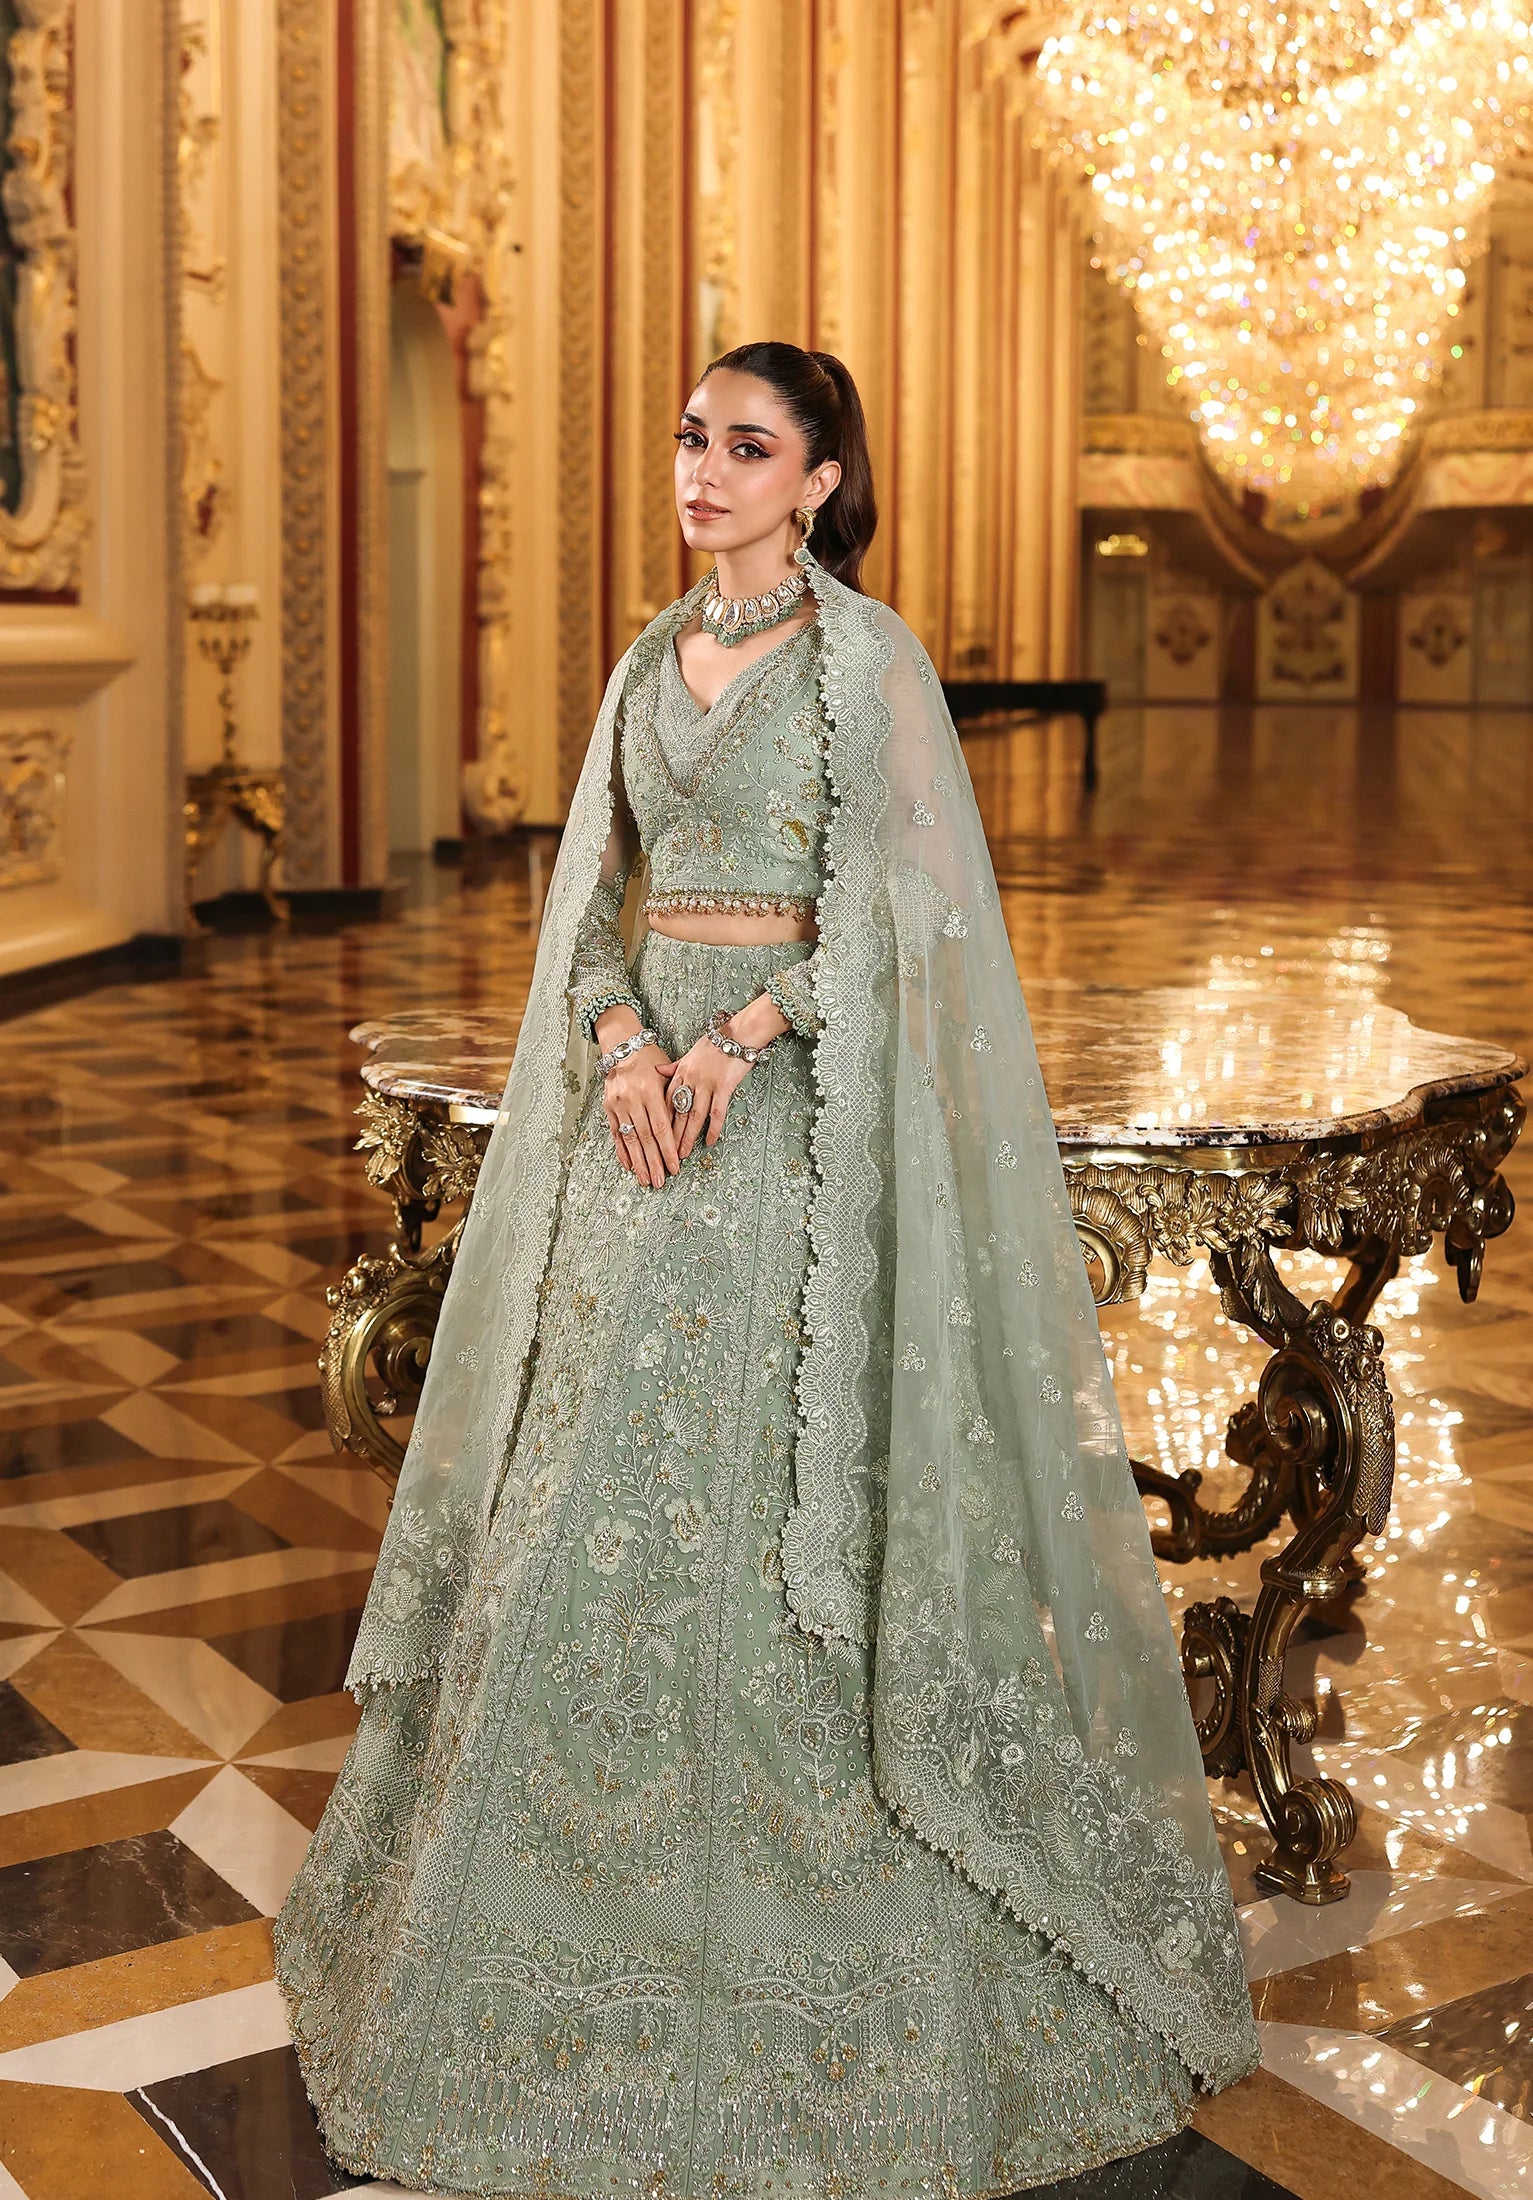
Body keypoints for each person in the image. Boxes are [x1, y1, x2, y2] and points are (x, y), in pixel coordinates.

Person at [274, 339, 1260, 2196]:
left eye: (745, 447)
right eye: (689, 440)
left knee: (763, 1497)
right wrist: (620, 1048)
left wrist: (743, 1033)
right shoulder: (646, 666)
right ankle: (536, 1910)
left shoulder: (865, 661)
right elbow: (587, 909)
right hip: (637, 1128)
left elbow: (915, 910)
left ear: (818, 480)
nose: (703, 472)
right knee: (577, 1492)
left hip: (789, 1130)